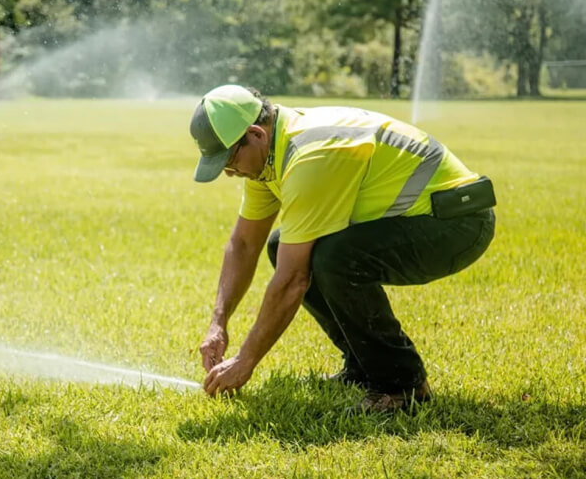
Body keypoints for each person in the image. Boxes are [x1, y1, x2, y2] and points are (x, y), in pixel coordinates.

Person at [190, 84, 495, 412]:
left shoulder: (311, 154)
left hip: (458, 221)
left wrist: (245, 360)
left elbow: (293, 280)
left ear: (255, 134)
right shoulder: (270, 157)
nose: (228, 172)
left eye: (230, 159)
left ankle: (402, 386)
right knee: (283, 246)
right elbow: (245, 244)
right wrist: (218, 322)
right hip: (436, 216)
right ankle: (364, 369)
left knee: (336, 259)